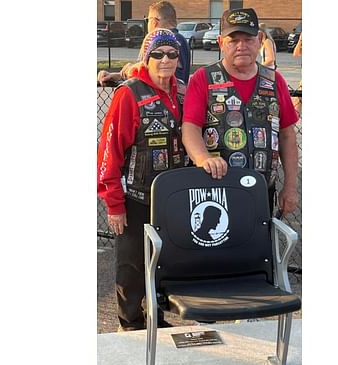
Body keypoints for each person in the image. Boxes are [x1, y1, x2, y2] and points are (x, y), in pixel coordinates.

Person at [97, 28, 187, 332]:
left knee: (163, 265)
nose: (165, 60)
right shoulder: (129, 94)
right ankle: (130, 325)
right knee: (133, 268)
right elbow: (110, 152)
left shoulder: (185, 92)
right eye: (158, 54)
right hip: (136, 200)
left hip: (172, 202)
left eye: (172, 54)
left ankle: (156, 320)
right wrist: (114, 205)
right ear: (146, 58)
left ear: (179, 57)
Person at [181, 8, 299, 216]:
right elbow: (190, 128)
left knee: (258, 247)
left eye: (248, 39)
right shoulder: (203, 78)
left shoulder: (274, 81)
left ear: (260, 39)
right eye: (233, 40)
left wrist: (290, 187)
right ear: (220, 42)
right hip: (214, 190)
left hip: (261, 191)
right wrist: (203, 158)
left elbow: (287, 136)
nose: (241, 46)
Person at [97, 1, 191, 85]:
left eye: (147, 20)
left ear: (154, 22)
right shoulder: (180, 39)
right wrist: (118, 75)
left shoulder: (168, 41)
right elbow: (148, 72)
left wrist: (132, 69)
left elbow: (169, 78)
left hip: (159, 101)